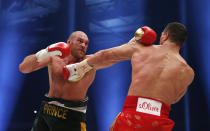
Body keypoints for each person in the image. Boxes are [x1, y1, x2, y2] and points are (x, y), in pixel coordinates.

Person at [63, 22, 194, 131]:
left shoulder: (142, 49)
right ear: (181, 42)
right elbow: (175, 98)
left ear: (166, 36)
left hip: (132, 117)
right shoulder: (188, 73)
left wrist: (79, 67)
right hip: (159, 123)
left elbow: (105, 55)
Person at [19, 31, 96, 131]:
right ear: (69, 42)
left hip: (72, 115)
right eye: (80, 41)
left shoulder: (89, 62)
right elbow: (24, 68)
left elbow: (106, 56)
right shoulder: (55, 57)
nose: (83, 45)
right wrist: (45, 52)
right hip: (47, 110)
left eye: (86, 43)